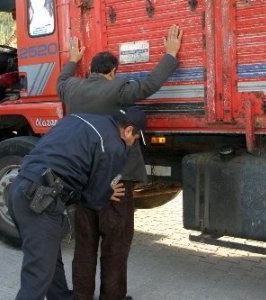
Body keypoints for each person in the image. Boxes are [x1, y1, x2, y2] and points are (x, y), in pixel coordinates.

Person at [57, 24, 183, 300]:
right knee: (115, 245)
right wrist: (170, 55)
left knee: (85, 246)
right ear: (112, 72)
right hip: (115, 182)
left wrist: (72, 60)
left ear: (90, 70)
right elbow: (150, 84)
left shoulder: (71, 89)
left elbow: (61, 80)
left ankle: (81, 296)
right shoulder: (116, 90)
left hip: (84, 179)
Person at [7, 107, 147, 300]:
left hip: (19, 189)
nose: (131, 144)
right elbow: (94, 198)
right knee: (37, 276)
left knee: (49, 260)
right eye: (135, 139)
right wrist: (107, 191)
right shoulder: (115, 145)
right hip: (41, 201)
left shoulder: (78, 118)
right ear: (128, 131)